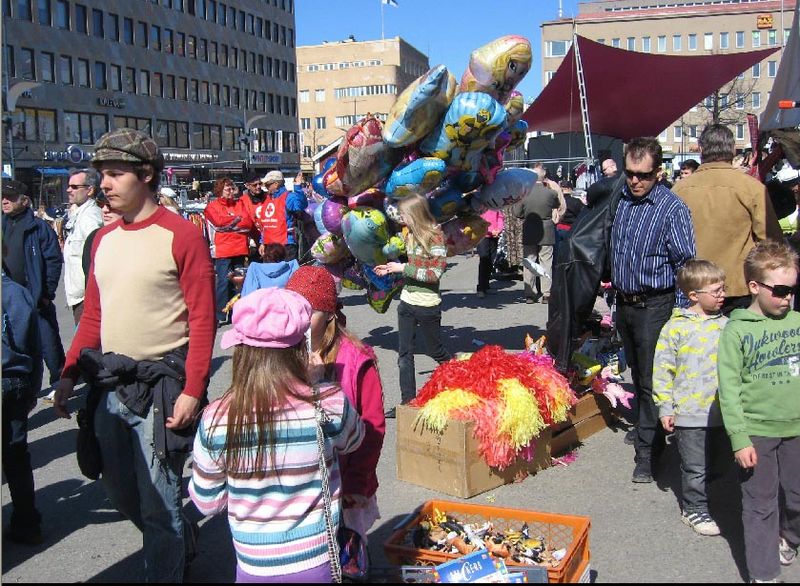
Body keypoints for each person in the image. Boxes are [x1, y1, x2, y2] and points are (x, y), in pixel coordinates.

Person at [53, 128, 216, 583]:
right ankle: (180, 535)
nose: (103, 183)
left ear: (145, 175)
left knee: (159, 499)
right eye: (101, 174)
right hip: (109, 385)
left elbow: (204, 321)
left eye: (114, 173)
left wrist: (192, 390)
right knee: (121, 490)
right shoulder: (103, 241)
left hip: (163, 386)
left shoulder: (182, 235)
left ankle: (167, 561)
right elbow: (91, 317)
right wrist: (68, 374)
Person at [189, 287, 365, 583]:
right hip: (318, 561)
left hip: (254, 565)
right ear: (302, 348)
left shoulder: (217, 418)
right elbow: (354, 439)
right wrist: (316, 382)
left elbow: (208, 501)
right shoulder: (328, 402)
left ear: (241, 352)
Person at [611, 136, 696, 483]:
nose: (635, 181)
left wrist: (678, 313)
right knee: (636, 373)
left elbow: (685, 264)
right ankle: (649, 429)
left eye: (643, 175)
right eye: (630, 173)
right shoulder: (623, 201)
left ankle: (648, 452)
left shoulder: (672, 208)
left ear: (658, 173)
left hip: (655, 304)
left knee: (651, 381)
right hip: (625, 303)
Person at [717, 240, 800, 583]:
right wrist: (740, 439)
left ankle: (790, 537)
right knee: (760, 505)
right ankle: (765, 574)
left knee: (796, 496)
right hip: (757, 431)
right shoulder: (736, 331)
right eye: (779, 291)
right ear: (754, 286)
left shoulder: (797, 321)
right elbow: (729, 389)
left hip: (796, 428)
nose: (787, 298)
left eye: (793, 289)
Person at [286, 265, 386, 541]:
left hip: (344, 481)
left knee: (345, 558)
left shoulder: (356, 359)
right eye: (294, 309)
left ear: (329, 313)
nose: (300, 318)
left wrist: (356, 483)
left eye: (309, 311)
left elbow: (373, 427)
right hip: (299, 486)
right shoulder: (281, 352)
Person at [653, 259, 729, 536]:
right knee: (694, 466)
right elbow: (663, 369)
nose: (723, 295)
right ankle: (694, 508)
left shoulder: (728, 326)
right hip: (689, 410)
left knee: (720, 461)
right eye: (717, 291)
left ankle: (712, 498)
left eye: (723, 289)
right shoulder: (676, 328)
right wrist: (665, 407)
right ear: (693, 295)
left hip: (723, 409)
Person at [673, 124, 783, 315]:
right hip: (737, 288)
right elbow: (772, 242)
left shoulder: (679, 190)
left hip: (692, 289)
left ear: (701, 149)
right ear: (732, 150)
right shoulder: (752, 189)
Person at [374, 194, 451, 407]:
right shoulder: (409, 235)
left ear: (415, 214)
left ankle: (462, 380)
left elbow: (434, 274)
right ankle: (408, 403)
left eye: (404, 215)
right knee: (404, 355)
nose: (401, 219)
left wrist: (403, 268)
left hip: (427, 305)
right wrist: (391, 268)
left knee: (436, 351)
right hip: (407, 302)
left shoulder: (436, 237)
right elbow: (411, 269)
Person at [2, 179, 65, 395]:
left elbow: (54, 260)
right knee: (14, 344)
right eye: (2, 197)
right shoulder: (2, 223)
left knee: (48, 343)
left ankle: (60, 382)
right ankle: (24, 387)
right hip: (8, 299)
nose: (4, 201)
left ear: (24, 201)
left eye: (9, 197)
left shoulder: (38, 227)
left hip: (35, 297)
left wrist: (45, 293)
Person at [2, 256, 44, 545]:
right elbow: (33, 346)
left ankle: (26, 522)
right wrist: (32, 388)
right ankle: (27, 522)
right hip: (14, 379)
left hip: (11, 381)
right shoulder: (15, 292)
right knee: (16, 456)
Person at [204, 177, 254, 325]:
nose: (231, 192)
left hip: (240, 248)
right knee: (224, 283)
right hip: (224, 250)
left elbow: (247, 223)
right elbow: (218, 224)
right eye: (228, 189)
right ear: (220, 190)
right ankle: (220, 314)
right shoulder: (212, 206)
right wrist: (236, 221)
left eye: (232, 188)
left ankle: (235, 313)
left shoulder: (240, 203)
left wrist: (230, 222)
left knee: (238, 282)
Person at [511, 162, 563, 304]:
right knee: (547, 262)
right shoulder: (551, 193)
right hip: (547, 228)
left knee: (530, 261)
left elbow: (516, 212)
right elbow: (557, 205)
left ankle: (530, 293)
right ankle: (547, 293)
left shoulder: (524, 194)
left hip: (529, 228)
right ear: (544, 175)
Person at [63, 167, 104, 325]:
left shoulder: (91, 218)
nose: (68, 190)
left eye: (74, 187)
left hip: (86, 298)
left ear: (90, 190)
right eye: (69, 186)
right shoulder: (78, 214)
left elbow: (97, 258)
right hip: (78, 298)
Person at [252, 170, 308, 261]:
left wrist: (298, 187)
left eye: (268, 184)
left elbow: (300, 206)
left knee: (287, 274)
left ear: (276, 184)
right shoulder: (268, 199)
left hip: (285, 245)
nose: (265, 187)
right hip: (269, 245)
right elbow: (265, 224)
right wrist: (262, 242)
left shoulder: (288, 197)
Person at [476, 209, 504, 298]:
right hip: (482, 235)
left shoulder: (495, 204)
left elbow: (500, 217)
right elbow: (477, 220)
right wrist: (490, 230)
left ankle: (486, 285)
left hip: (494, 235)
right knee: (484, 259)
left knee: (491, 260)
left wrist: (499, 229)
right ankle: (481, 288)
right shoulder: (479, 204)